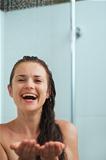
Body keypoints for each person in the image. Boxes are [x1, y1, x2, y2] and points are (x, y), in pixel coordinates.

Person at [0, 56, 79, 160]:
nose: (29, 85)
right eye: (21, 79)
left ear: (48, 92)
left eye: (37, 80)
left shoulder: (67, 131)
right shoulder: (1, 136)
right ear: (10, 90)